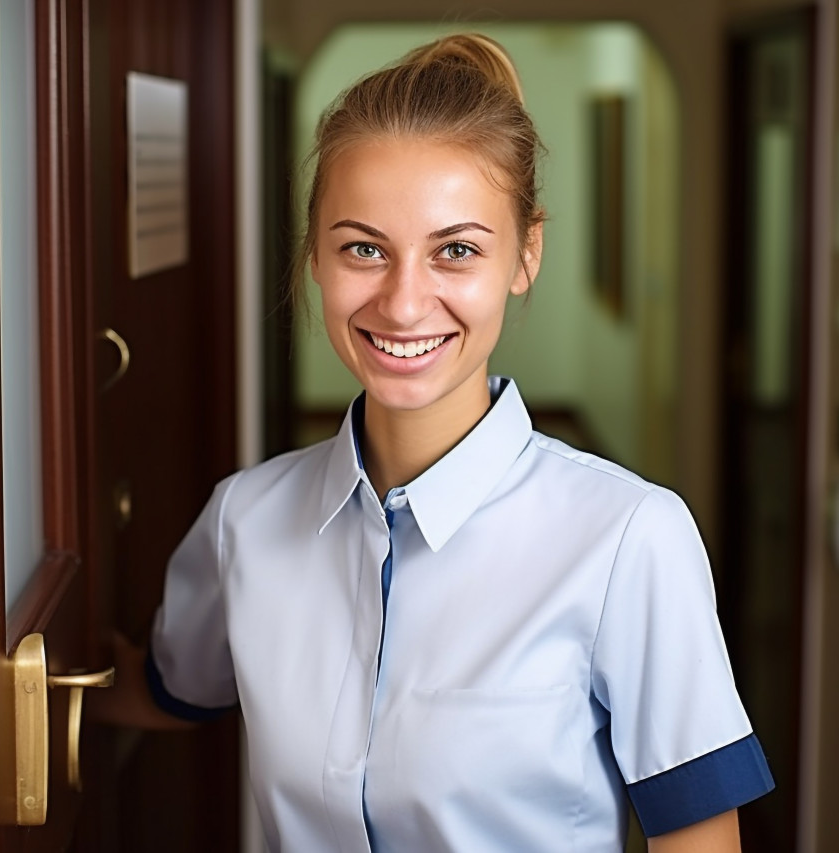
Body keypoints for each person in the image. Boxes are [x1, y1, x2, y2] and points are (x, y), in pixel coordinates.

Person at [101, 33, 774, 852]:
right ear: (314, 251)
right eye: (363, 248)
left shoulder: (630, 539)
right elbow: (164, 687)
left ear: (526, 253)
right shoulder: (243, 520)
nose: (405, 301)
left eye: (455, 250)